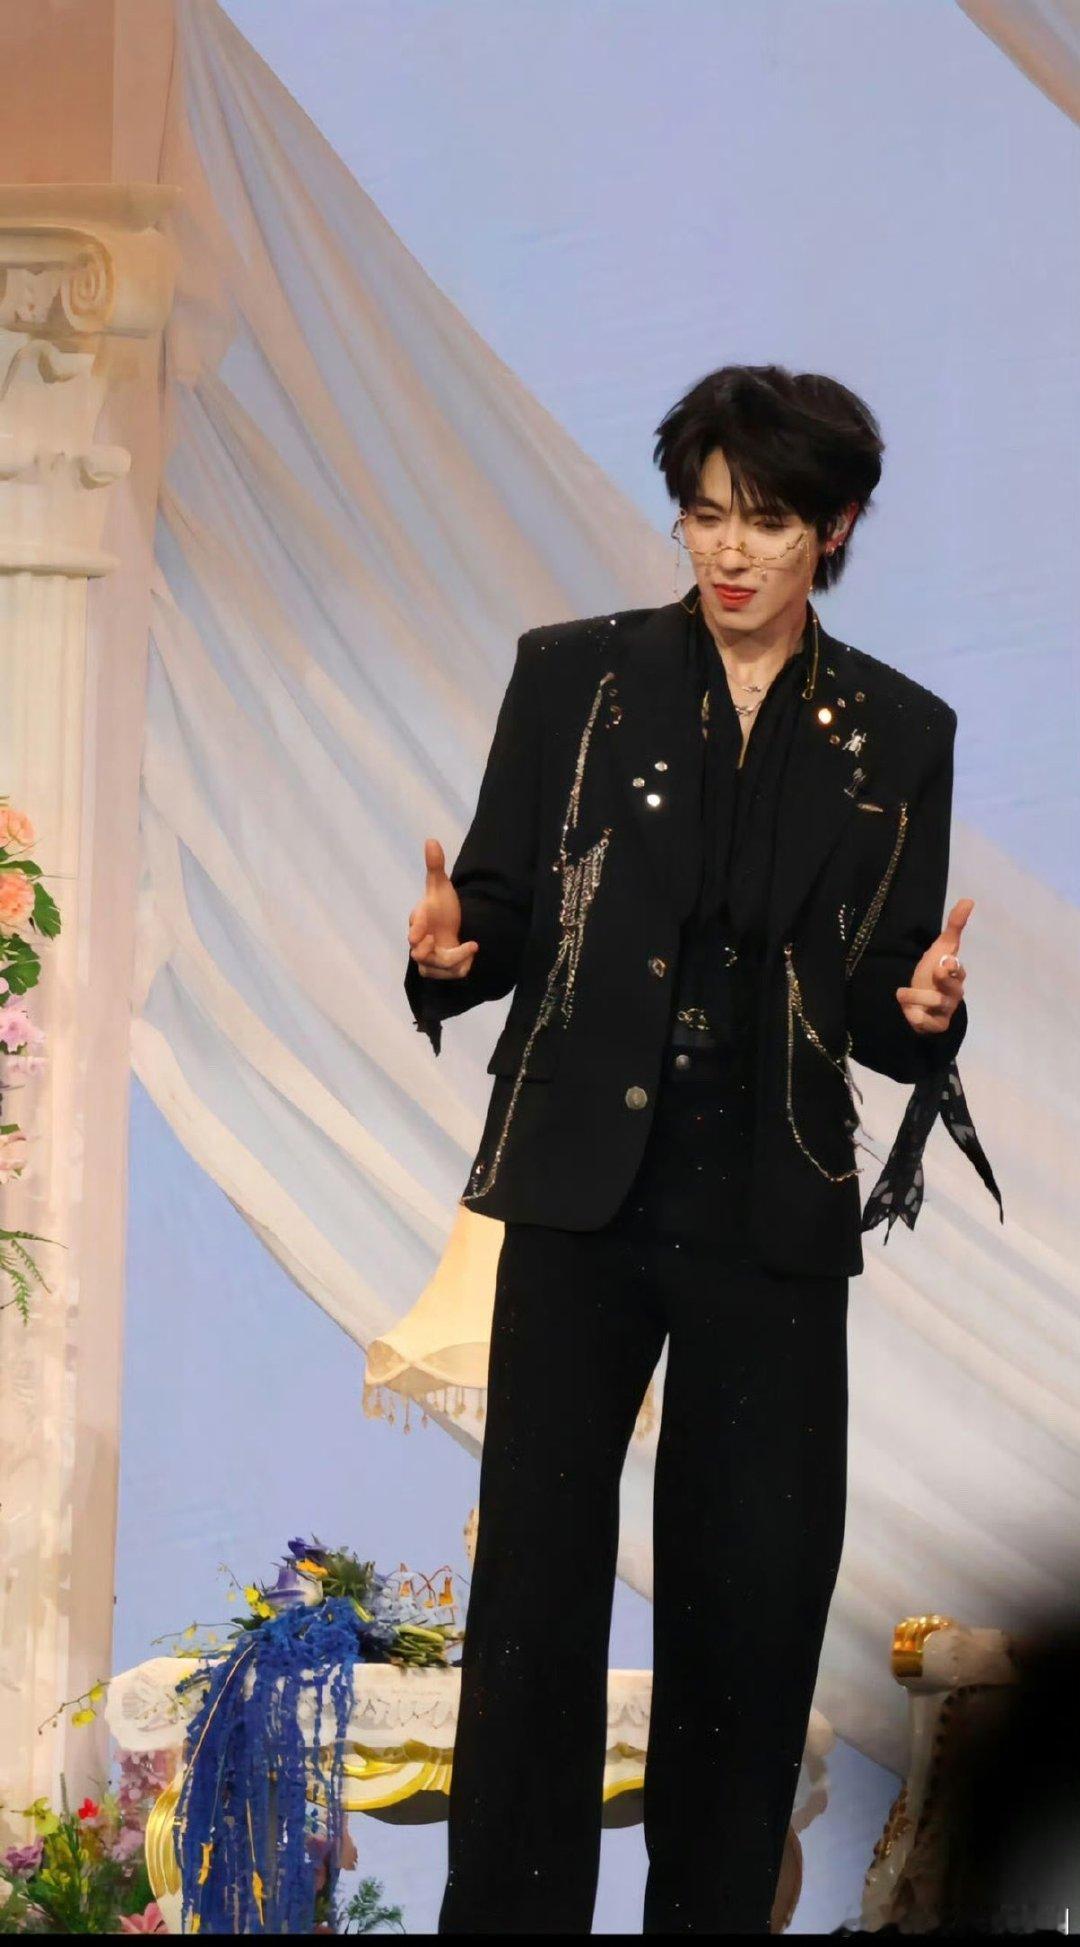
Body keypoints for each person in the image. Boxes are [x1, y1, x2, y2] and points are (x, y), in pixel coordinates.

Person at [403, 365, 1002, 1935]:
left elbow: (880, 991)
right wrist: (455, 953)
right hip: (582, 1196)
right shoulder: (575, 678)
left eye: (770, 521)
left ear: (836, 529)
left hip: (772, 1207)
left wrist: (923, 1009)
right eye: (706, 514)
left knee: (751, 1605)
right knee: (534, 1594)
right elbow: (502, 908)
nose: (730, 550)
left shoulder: (897, 731)